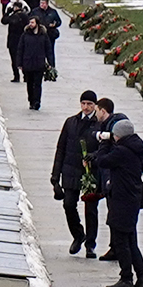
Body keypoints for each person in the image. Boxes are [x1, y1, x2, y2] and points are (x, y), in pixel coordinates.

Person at [97, 115, 143, 287]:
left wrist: (104, 143)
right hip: (131, 198)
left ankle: (126, 277)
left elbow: (102, 160)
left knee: (121, 240)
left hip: (121, 199)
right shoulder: (135, 147)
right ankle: (142, 276)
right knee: (130, 239)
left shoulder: (122, 152)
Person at [51, 93, 100, 256]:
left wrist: (94, 156)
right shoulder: (71, 122)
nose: (86, 107)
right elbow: (61, 148)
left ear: (95, 106)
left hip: (90, 173)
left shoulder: (99, 124)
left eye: (90, 104)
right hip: (70, 170)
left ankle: (90, 244)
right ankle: (78, 235)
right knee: (69, 205)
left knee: (91, 209)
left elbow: (105, 148)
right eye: (83, 103)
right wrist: (55, 176)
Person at [15, 0, 58, 111]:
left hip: (39, 63)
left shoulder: (43, 36)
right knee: (29, 84)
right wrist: (19, 63)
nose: (30, 24)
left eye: (32, 22)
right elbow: (20, 49)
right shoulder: (25, 35)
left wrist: (51, 64)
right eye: (30, 22)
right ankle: (31, 100)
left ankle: (37, 101)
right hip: (27, 63)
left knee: (38, 84)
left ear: (37, 24)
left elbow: (48, 50)